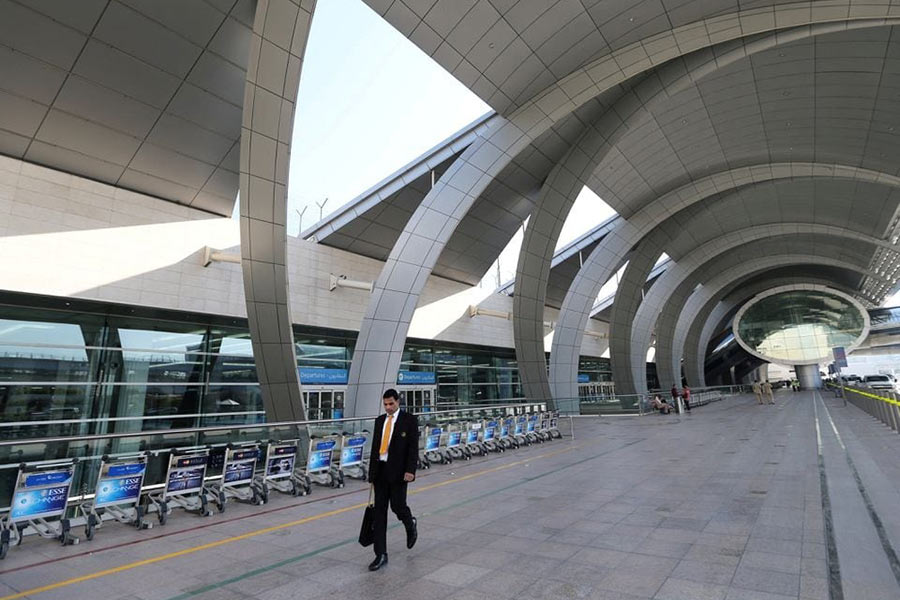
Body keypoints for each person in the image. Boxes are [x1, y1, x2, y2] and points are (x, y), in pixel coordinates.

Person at [366, 389, 419, 571]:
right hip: (380, 471)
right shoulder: (380, 421)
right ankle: (380, 554)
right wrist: (371, 474)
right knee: (379, 513)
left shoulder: (409, 420)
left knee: (398, 506)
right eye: (385, 404)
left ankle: (410, 523)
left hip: (398, 472)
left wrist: (410, 470)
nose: (388, 407)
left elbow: (413, 448)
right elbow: (375, 448)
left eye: (391, 404)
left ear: (398, 402)